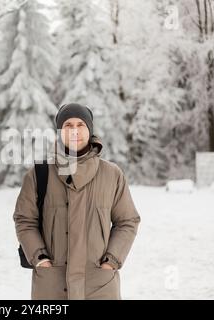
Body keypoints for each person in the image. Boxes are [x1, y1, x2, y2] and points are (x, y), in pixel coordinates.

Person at [13, 102, 141, 300]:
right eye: (68, 126)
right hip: (51, 285)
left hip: (99, 285)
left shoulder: (112, 174)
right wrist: (39, 258)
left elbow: (127, 221)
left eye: (80, 125)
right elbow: (25, 220)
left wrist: (112, 260)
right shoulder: (39, 174)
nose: (74, 131)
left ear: (89, 129)